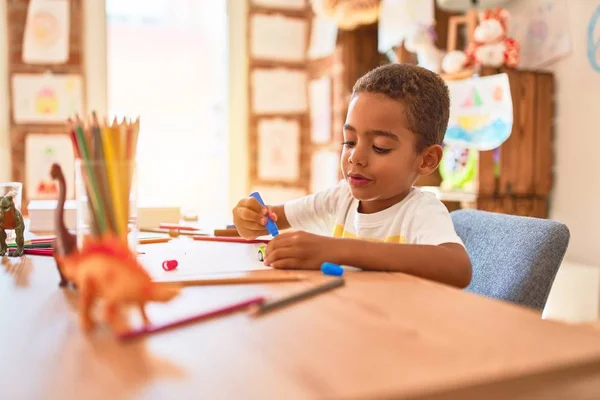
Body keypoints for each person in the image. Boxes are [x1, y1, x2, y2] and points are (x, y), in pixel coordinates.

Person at [232, 63, 472, 288]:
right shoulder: (340, 198)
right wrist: (251, 218)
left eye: (380, 147)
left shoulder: (420, 211)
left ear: (426, 160)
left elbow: (458, 267)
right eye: (349, 141)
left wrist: (339, 250)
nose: (355, 157)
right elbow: (271, 218)